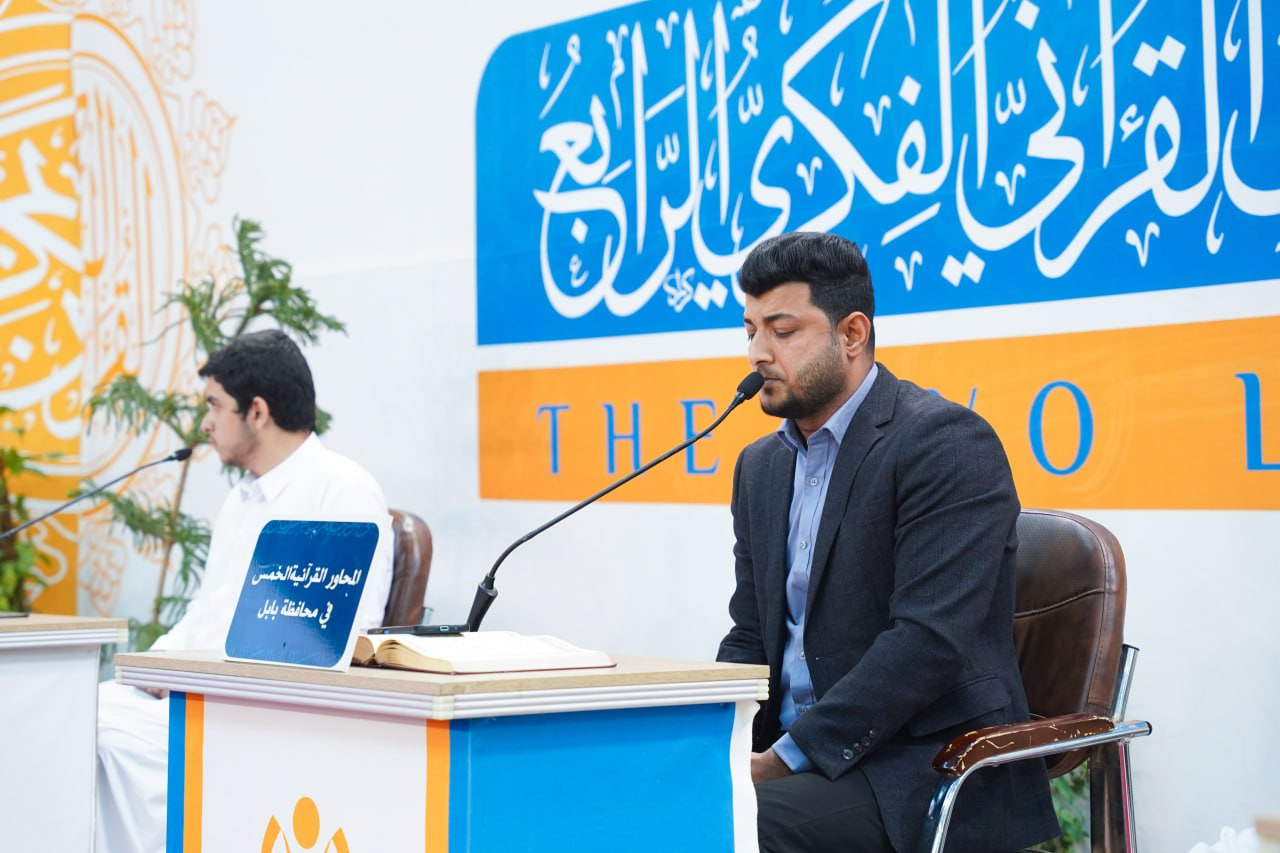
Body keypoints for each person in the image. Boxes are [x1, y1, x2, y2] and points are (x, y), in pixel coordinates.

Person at [716, 232, 1058, 852]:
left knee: (728, 825)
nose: (758, 353)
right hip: (794, 758)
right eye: (751, 331)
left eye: (783, 331)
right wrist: (713, 738)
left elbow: (927, 643)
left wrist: (782, 760)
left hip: (921, 764)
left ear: (852, 334)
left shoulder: (945, 443)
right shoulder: (760, 467)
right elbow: (751, 635)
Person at [95, 329, 394, 853]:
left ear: (257, 412)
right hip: (191, 697)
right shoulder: (242, 500)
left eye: (215, 405)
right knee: (74, 712)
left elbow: (346, 641)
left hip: (255, 715)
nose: (205, 423)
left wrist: (199, 682)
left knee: (100, 739)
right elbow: (206, 614)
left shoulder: (341, 491)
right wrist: (153, 667)